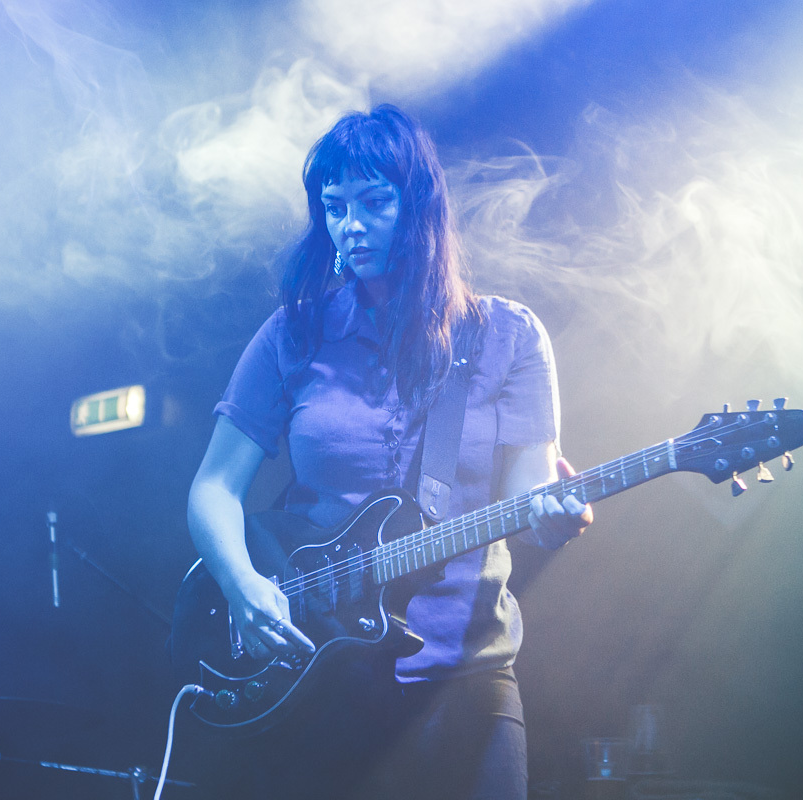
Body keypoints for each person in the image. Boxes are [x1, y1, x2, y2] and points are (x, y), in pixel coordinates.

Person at [186, 104, 592, 800]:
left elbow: (532, 500)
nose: (350, 224)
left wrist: (553, 519)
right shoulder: (296, 333)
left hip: (467, 674)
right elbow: (212, 489)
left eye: (374, 203)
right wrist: (241, 583)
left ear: (421, 207)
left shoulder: (508, 338)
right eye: (335, 206)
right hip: (325, 678)